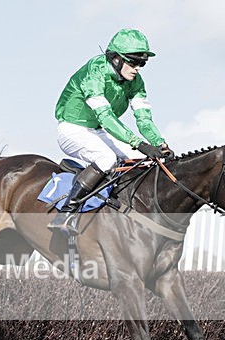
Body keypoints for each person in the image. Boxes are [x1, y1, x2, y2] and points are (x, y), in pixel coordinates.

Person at [49, 28, 173, 231]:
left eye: (142, 64)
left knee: (142, 161)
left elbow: (143, 119)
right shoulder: (95, 72)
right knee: (106, 158)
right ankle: (66, 213)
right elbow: (106, 117)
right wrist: (139, 143)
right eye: (133, 62)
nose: (137, 68)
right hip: (72, 129)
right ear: (116, 58)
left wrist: (159, 143)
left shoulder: (135, 82)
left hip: (98, 131)